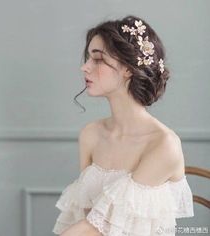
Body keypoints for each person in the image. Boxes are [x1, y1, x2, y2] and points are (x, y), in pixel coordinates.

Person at [52, 15, 194, 236]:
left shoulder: (164, 144)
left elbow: (100, 226)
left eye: (97, 59)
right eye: (88, 58)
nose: (85, 67)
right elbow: (87, 217)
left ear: (128, 68)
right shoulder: (91, 135)